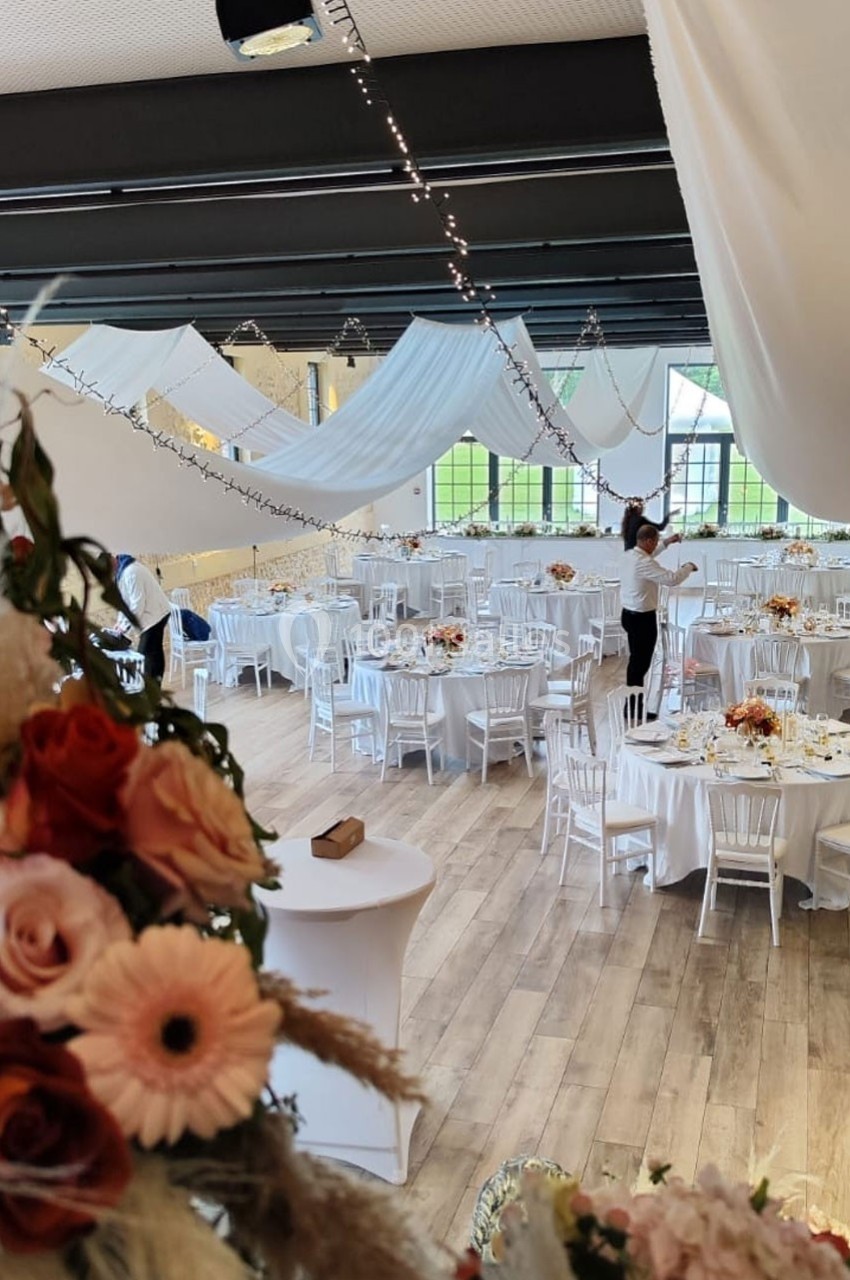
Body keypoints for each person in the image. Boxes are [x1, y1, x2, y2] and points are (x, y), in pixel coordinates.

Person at [620, 524, 698, 717]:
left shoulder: (631, 555)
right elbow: (671, 579)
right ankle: (634, 709)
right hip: (642, 619)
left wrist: (667, 543)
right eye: (654, 541)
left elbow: (650, 554)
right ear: (647, 541)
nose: (655, 545)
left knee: (636, 663)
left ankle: (632, 706)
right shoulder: (644, 563)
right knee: (640, 665)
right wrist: (688, 567)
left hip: (628, 614)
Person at [110, 554, 171, 683]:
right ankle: (154, 685)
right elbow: (124, 603)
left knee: (146, 654)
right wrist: (119, 623)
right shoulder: (120, 573)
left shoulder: (132, 571)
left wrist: (125, 627)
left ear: (113, 559)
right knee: (152, 651)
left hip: (156, 614)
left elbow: (138, 605)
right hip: (150, 614)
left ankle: (152, 687)